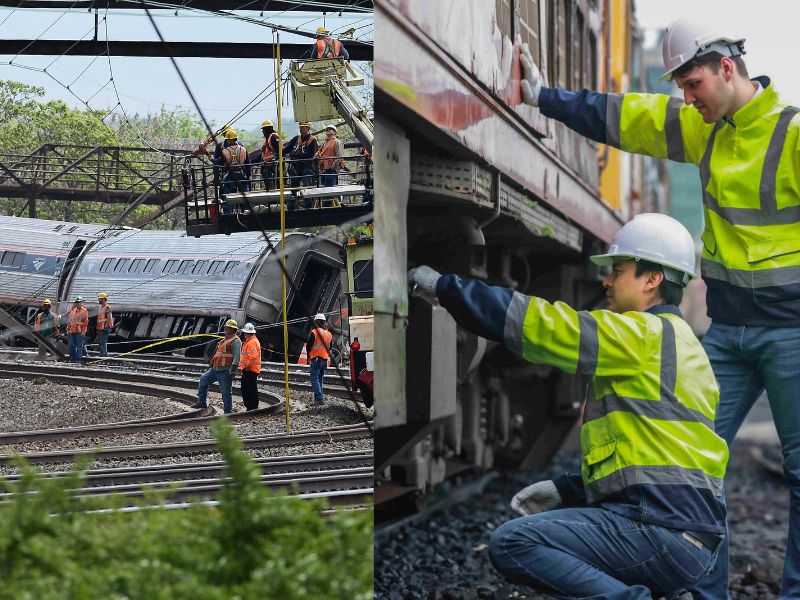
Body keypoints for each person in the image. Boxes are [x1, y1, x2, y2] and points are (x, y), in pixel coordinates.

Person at [518, 18, 800, 599]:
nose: (687, 99)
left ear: (727, 68)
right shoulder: (706, 128)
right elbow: (628, 118)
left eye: (693, 84)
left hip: (791, 331)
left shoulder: (792, 134)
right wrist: (543, 97)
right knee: (689, 469)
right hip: (728, 331)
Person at [409, 213, 728, 600]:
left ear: (652, 279)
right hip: (691, 540)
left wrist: (446, 288)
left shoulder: (642, 335)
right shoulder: (689, 350)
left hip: (659, 531)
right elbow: (660, 461)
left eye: (619, 270)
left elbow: (546, 326)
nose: (606, 280)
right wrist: (569, 491)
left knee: (514, 542)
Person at [193, 319, 241, 415]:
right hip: (214, 369)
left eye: (227, 327)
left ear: (232, 329)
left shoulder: (236, 341)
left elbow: (237, 357)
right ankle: (201, 402)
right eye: (225, 327)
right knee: (203, 379)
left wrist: (233, 369)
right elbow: (218, 353)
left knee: (226, 391)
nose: (225, 328)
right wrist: (212, 363)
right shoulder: (224, 340)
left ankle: (227, 411)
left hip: (225, 370)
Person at [214, 128, 250, 212]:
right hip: (241, 174)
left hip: (229, 176)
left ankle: (228, 214)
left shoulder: (225, 151)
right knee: (244, 195)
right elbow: (248, 163)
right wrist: (248, 175)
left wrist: (210, 157)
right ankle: (246, 212)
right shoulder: (243, 149)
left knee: (229, 196)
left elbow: (218, 162)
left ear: (229, 140)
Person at [307, 313, 332, 405]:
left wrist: (309, 356)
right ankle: (320, 397)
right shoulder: (329, 334)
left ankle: (319, 398)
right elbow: (330, 347)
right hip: (324, 359)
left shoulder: (315, 332)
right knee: (319, 378)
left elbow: (308, 345)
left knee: (314, 378)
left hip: (316, 358)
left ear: (316, 322)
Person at [238, 322, 261, 411]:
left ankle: (251, 406)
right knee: (251, 387)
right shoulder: (253, 341)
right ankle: (252, 406)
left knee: (248, 388)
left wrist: (247, 366)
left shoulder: (251, 342)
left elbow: (253, 356)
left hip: (250, 369)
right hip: (252, 369)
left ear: (246, 333)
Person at [65, 296, 88, 364]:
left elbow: (86, 322)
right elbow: (70, 321)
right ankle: (72, 358)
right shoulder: (73, 311)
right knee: (71, 345)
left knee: (79, 346)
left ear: (81, 303)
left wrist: (83, 331)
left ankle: (78, 359)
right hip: (72, 331)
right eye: (76, 302)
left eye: (79, 302)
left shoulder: (84, 311)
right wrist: (68, 328)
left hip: (79, 331)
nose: (77, 303)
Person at [259, 119, 280, 191]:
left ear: (267, 129)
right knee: (269, 186)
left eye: (263, 130)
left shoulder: (273, 137)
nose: (263, 132)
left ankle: (273, 201)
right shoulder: (269, 139)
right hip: (267, 166)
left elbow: (278, 152)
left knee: (272, 186)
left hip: (272, 167)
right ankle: (270, 201)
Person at [96, 292, 113, 358]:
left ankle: (102, 355)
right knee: (102, 342)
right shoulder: (101, 307)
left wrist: (106, 325)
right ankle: (104, 354)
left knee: (103, 342)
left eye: (100, 299)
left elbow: (108, 317)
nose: (99, 300)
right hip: (101, 327)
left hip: (105, 327)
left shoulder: (107, 307)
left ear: (104, 299)